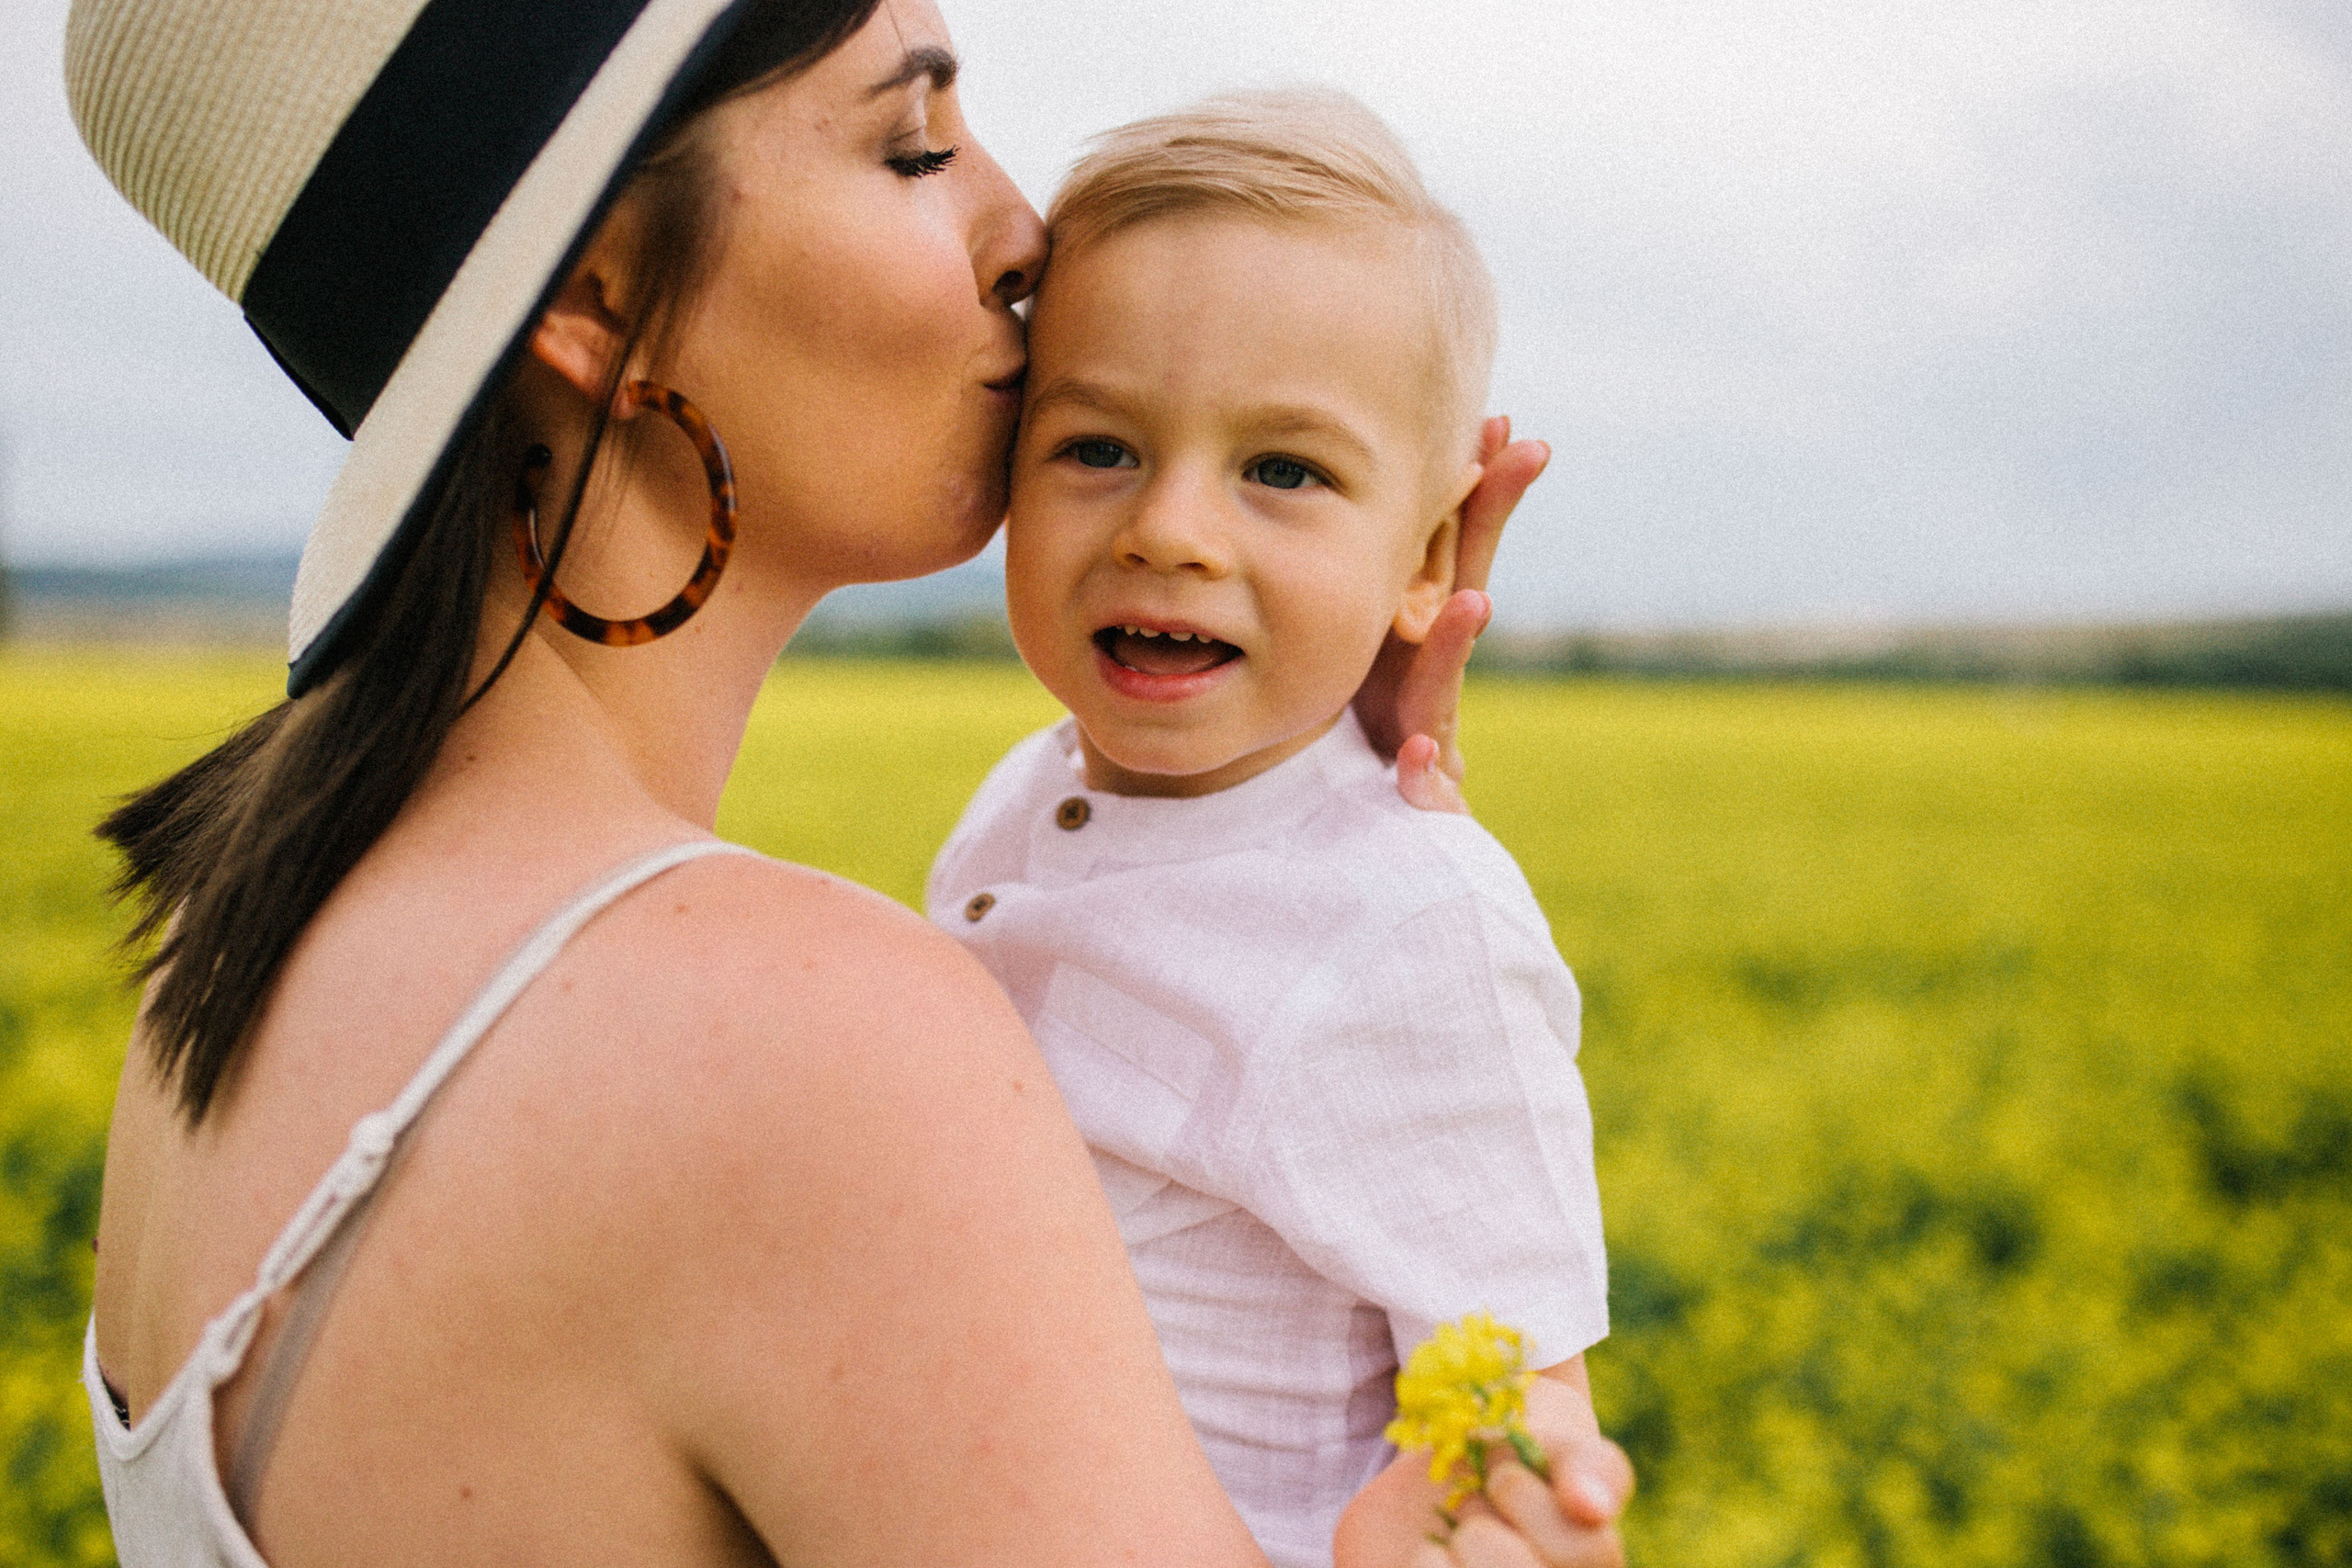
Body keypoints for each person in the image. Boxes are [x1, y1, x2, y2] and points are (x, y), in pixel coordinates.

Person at [67, 0, 1631, 1563]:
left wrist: (1305, 837)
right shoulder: (815, 1049)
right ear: (598, 301)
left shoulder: (222, 945)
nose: (1025, 236)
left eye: (1285, 472)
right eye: (914, 145)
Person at [924, 91, 1608, 1568]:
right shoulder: (1020, 797)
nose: (1169, 528)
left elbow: (1520, 1369)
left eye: (1283, 471)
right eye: (1096, 446)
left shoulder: (1410, 920)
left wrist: (1509, 1500)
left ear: (1428, 555)